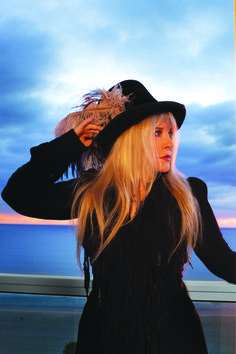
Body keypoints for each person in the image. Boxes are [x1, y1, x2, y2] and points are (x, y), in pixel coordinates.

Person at [2, 80, 236, 354]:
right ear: (132, 138)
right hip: (104, 339)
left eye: (172, 133)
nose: (169, 143)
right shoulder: (94, 191)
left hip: (173, 340)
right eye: (158, 133)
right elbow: (18, 194)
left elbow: (225, 264)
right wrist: (71, 144)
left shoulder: (188, 194)